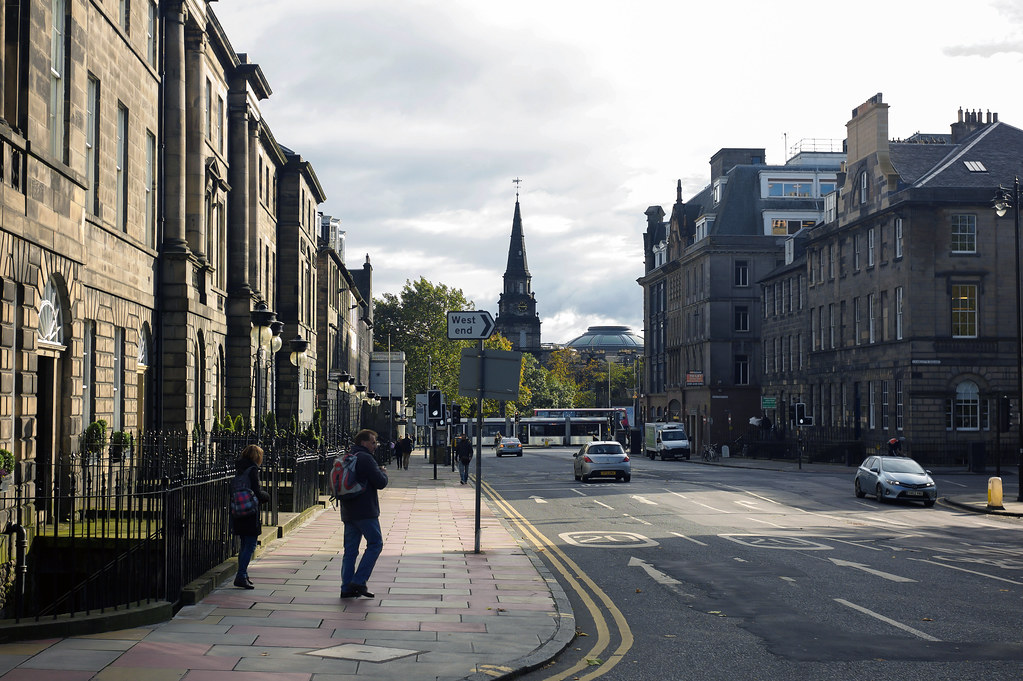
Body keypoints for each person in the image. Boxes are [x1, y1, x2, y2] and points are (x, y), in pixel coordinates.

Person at [339, 429, 389, 599]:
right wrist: (382, 472)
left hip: (348, 510)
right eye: (373, 442)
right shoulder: (365, 458)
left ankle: (346, 588)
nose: (375, 446)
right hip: (365, 511)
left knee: (350, 551)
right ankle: (359, 581)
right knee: (376, 544)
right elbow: (380, 482)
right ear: (364, 443)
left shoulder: (348, 456)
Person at [232, 444, 271, 589]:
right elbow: (257, 491)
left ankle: (243, 574)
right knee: (251, 544)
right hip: (249, 512)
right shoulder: (252, 470)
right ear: (257, 456)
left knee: (244, 545)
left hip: (238, 510)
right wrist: (266, 496)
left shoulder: (239, 469)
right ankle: (241, 575)